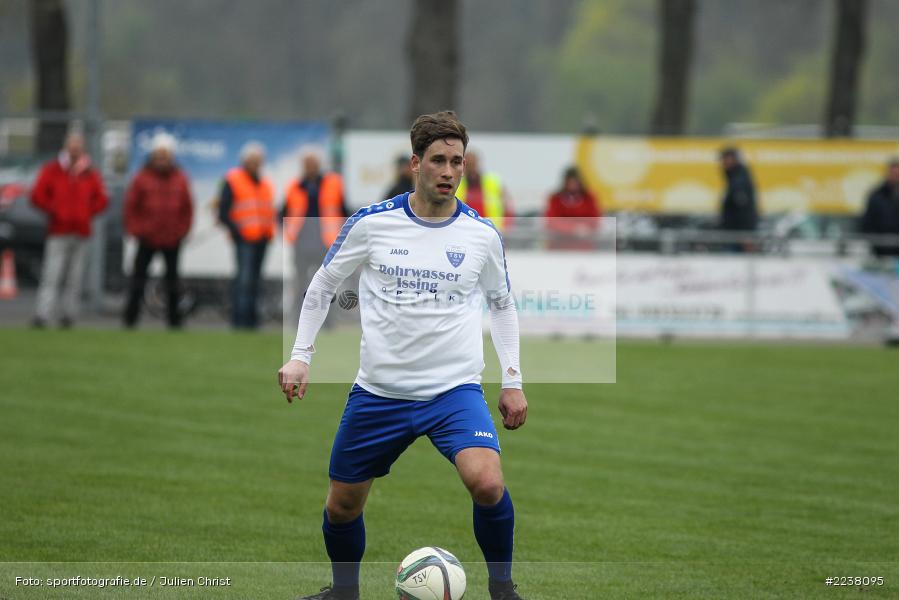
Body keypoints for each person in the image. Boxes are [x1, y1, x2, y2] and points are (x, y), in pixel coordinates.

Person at [278, 111, 528, 600]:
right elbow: (324, 284)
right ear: (416, 163)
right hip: (380, 392)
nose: (449, 171)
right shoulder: (372, 225)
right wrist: (300, 355)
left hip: (453, 392)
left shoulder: (481, 235)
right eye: (439, 160)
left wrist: (513, 379)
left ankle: (502, 589)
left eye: (457, 162)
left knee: (488, 484)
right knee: (342, 507)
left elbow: (502, 305)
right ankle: (344, 591)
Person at [30, 131, 108, 328]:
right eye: (71, 145)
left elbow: (102, 199)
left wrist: (86, 212)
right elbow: (37, 195)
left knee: (74, 278)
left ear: (82, 148)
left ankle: (69, 315)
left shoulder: (90, 172)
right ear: (65, 146)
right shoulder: (53, 170)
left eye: (78, 145)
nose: (74, 149)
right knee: (51, 275)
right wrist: (53, 209)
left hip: (81, 230)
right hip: (58, 230)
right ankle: (43, 314)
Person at [122, 133, 193, 328]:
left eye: (165, 155)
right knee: (138, 280)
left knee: (172, 282)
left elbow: (187, 208)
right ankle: (130, 319)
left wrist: (181, 231)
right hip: (147, 237)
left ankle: (174, 321)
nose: (162, 160)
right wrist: (138, 230)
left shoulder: (180, 178)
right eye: (159, 155)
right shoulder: (141, 178)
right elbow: (131, 207)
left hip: (172, 238)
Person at [282, 152, 346, 325]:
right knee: (300, 284)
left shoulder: (333, 183)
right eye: (307, 164)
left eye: (313, 163)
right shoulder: (295, 186)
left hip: (326, 242)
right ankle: (298, 321)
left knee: (327, 284)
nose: (310, 167)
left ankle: (327, 322)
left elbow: (343, 211)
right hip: (301, 243)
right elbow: (284, 212)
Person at [218, 142, 275, 329]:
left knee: (256, 281)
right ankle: (240, 322)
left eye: (258, 161)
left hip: (262, 239)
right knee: (243, 281)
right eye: (252, 160)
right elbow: (223, 211)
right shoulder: (233, 179)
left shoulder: (265, 183)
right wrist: (236, 231)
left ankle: (252, 322)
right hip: (244, 240)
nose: (255, 164)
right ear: (244, 161)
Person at [544, 166, 602, 250]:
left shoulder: (589, 198)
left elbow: (595, 219)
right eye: (570, 182)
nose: (573, 185)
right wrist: (573, 228)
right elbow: (551, 221)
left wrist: (584, 228)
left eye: (575, 182)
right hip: (559, 246)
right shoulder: (555, 199)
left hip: (584, 246)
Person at [456, 150, 514, 231]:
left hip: (492, 230)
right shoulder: (457, 184)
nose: (472, 169)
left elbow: (508, 207)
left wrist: (506, 228)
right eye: (469, 166)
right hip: (465, 230)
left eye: (473, 165)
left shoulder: (493, 181)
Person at [860, 158, 899, 257]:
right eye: (894, 173)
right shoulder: (876, 196)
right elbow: (868, 222)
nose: (896, 176)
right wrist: (875, 244)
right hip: (880, 252)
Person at [719, 147, 759, 241]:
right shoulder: (733, 176)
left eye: (725, 159)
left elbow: (743, 207)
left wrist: (746, 234)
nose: (723, 162)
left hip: (738, 233)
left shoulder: (739, 179)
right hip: (735, 231)